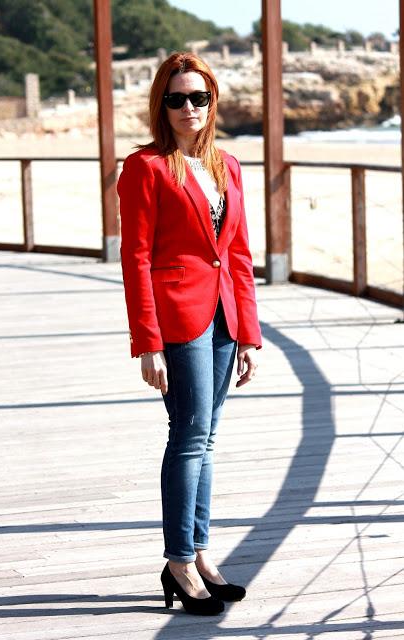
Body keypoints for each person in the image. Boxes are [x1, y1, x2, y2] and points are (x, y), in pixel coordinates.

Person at [117, 52, 262, 616]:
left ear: (212, 102)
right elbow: (136, 258)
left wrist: (249, 333)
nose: (188, 108)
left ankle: (199, 552)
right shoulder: (147, 168)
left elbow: (241, 254)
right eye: (176, 98)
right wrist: (147, 341)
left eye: (198, 97)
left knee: (207, 437)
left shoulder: (228, 165)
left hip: (224, 316)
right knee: (190, 435)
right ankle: (179, 560)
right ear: (162, 105)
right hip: (177, 316)